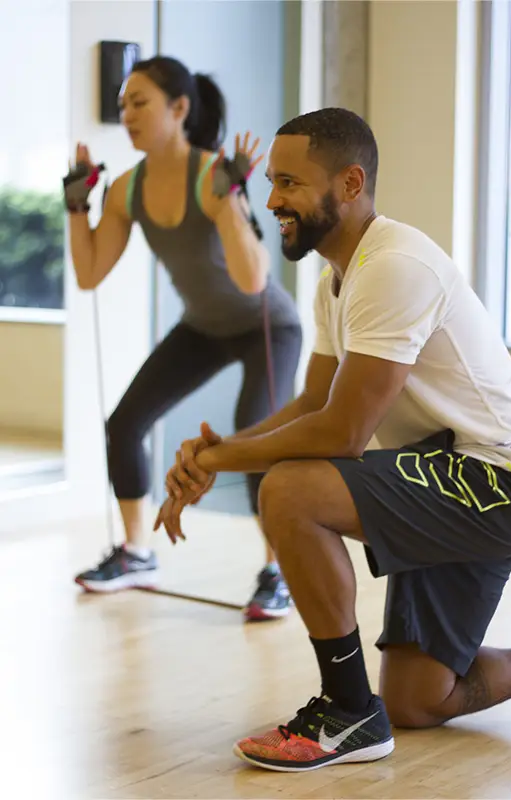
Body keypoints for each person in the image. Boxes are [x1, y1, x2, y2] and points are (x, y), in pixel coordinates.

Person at [157, 107, 511, 772]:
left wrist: (217, 459)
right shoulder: (339, 278)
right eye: (272, 183)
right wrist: (218, 451)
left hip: (497, 483)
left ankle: (347, 709)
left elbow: (342, 432)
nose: (272, 201)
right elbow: (312, 404)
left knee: (291, 491)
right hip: (437, 471)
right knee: (419, 699)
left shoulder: (394, 266)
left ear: (350, 183)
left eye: (290, 183)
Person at [68, 56, 302, 621]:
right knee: (125, 423)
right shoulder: (126, 189)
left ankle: (279, 572)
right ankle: (136, 553)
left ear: (179, 108)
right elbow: (90, 273)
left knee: (254, 437)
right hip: (203, 327)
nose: (127, 114)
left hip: (267, 328)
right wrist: (77, 205)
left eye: (139, 102)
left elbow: (253, 281)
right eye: (123, 105)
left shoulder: (212, 175)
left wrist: (230, 198)